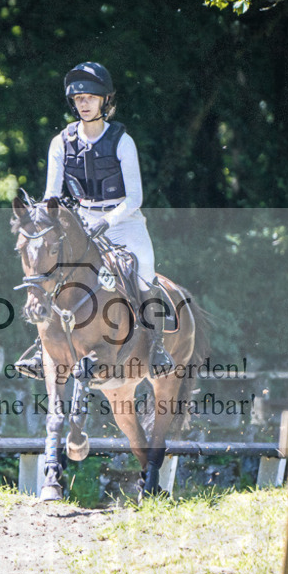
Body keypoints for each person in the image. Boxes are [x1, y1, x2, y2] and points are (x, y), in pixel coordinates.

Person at [15, 61, 174, 379]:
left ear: (105, 101)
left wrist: (109, 221)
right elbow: (51, 195)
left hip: (124, 218)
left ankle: (155, 346)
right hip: (81, 219)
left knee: (143, 267)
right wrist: (46, 220)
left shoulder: (122, 141)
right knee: (54, 269)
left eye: (89, 97)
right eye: (78, 99)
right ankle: (40, 347)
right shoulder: (61, 142)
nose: (83, 103)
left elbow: (135, 199)